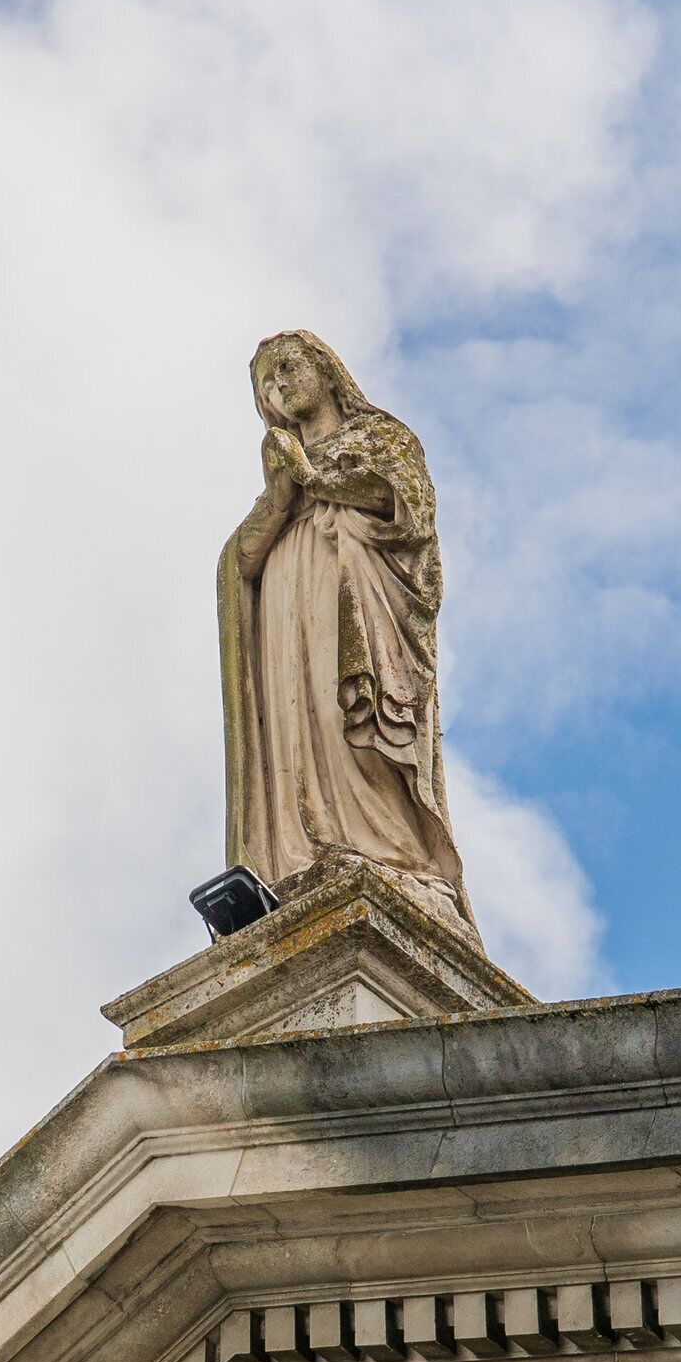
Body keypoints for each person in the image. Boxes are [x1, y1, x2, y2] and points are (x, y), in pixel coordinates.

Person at [215, 331, 472, 927]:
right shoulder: (282, 474)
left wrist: (310, 477)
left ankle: (393, 853)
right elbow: (240, 564)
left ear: (327, 371)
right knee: (296, 725)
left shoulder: (380, 438)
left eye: (287, 367)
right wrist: (281, 496)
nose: (277, 385)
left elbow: (404, 508)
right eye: (264, 385)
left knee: (348, 721)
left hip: (352, 603)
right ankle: (305, 850)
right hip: (285, 610)